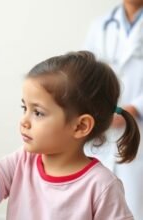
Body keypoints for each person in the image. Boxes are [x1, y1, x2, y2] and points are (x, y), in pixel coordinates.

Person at [0, 51, 140, 220]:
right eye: (25, 108)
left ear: (80, 127)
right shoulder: (22, 162)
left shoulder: (101, 187)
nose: (24, 121)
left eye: (38, 113)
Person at [84, 1, 143, 218]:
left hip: (139, 130)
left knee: (136, 205)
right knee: (96, 199)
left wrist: (134, 108)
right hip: (102, 128)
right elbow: (86, 72)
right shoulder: (100, 26)